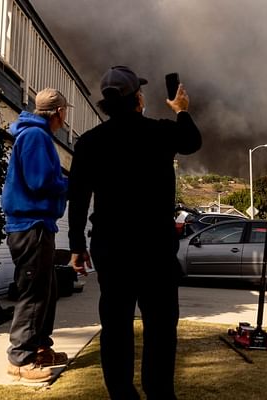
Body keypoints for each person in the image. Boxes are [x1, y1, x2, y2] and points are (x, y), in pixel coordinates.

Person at [68, 65, 202, 399]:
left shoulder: (90, 143)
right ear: (138, 99)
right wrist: (182, 110)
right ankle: (158, 393)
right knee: (159, 326)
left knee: (115, 326)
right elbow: (192, 141)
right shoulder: (159, 133)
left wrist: (75, 245)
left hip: (110, 248)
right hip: (155, 248)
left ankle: (122, 394)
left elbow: (79, 198)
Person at [1, 88, 71, 382]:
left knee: (46, 290)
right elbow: (40, 180)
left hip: (38, 224)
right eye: (65, 112)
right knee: (33, 292)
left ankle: (40, 347)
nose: (66, 119)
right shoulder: (35, 136)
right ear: (57, 112)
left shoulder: (37, 135)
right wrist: (70, 184)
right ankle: (20, 358)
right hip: (30, 226)